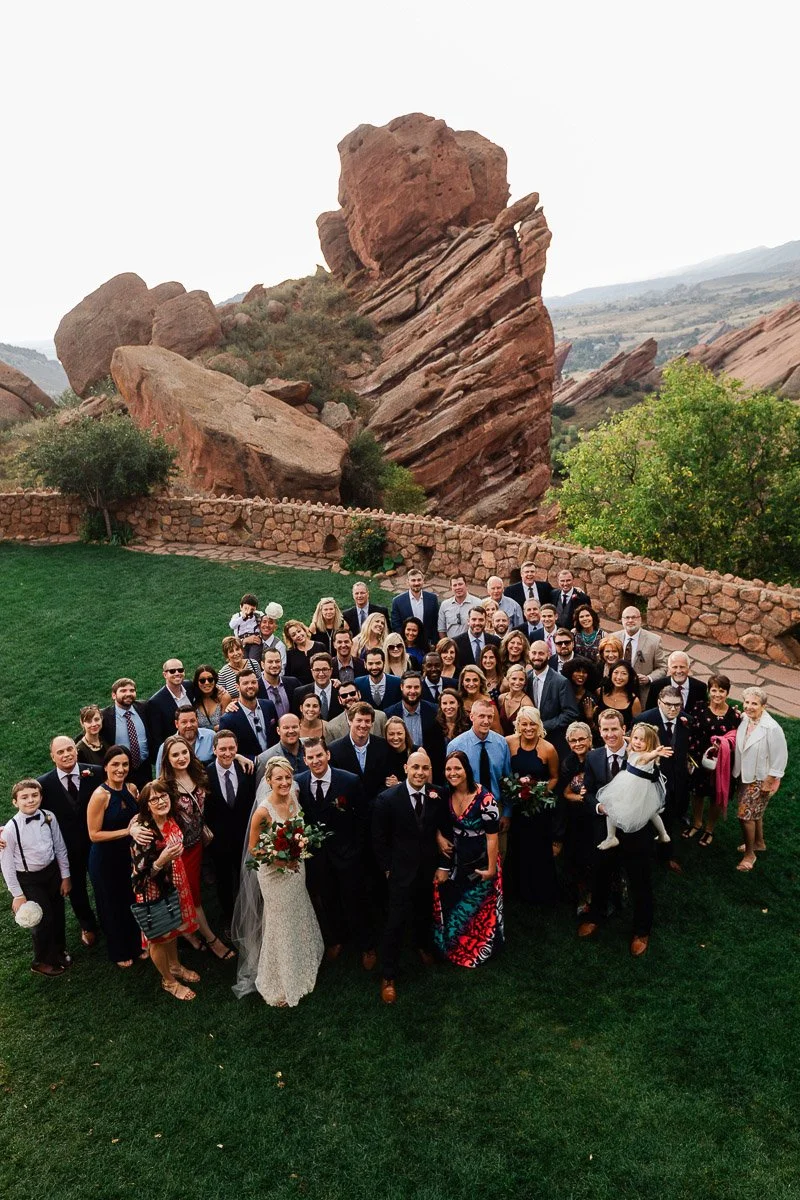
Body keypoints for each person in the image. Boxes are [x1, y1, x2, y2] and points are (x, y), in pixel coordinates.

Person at [235, 757, 324, 1007]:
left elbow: (299, 831)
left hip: (296, 868)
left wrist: (297, 849)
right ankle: (280, 980)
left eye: (288, 777)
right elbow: (254, 849)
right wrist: (281, 860)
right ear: (269, 781)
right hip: (274, 874)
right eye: (279, 778)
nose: (284, 782)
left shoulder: (293, 799)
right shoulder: (263, 812)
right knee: (280, 921)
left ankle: (303, 960)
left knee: (298, 911)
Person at [578, 710, 654, 956]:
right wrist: (599, 807)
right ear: (599, 731)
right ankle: (595, 916)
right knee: (600, 875)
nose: (610, 734)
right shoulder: (593, 757)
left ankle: (641, 930)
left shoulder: (641, 754)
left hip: (636, 831)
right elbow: (588, 793)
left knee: (641, 880)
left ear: (625, 729)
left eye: (615, 729)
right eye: (605, 729)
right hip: (605, 829)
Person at [372, 751, 445, 1003]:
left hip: (428, 868)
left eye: (425, 768)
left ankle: (422, 946)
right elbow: (379, 838)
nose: (420, 772)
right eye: (415, 767)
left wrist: (442, 864)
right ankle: (389, 974)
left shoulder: (438, 794)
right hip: (400, 871)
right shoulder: (387, 798)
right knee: (395, 922)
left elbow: (442, 830)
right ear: (406, 768)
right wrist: (388, 868)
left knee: (424, 911)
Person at [296, 738, 374, 968]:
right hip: (318, 857)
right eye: (310, 757)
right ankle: (337, 939)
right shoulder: (299, 782)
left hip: (348, 854)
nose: (315, 760)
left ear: (327, 755)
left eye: (319, 755)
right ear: (304, 760)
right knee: (327, 900)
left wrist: (356, 850)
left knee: (355, 900)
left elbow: (363, 818)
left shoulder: (349, 781)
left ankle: (366, 945)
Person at [158, 734, 233, 960]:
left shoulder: (199, 774)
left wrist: (237, 756)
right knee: (192, 895)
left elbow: (224, 759)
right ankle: (211, 939)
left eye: (184, 753)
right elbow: (146, 813)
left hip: (199, 843)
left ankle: (189, 931)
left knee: (190, 892)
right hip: (180, 851)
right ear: (167, 759)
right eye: (175, 755)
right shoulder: (164, 786)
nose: (181, 758)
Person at [130, 780, 199, 1001]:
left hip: (176, 883)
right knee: (159, 937)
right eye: (154, 799)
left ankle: (176, 966)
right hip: (153, 891)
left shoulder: (171, 818)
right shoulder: (144, 834)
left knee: (173, 929)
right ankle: (168, 980)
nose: (160, 802)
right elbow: (138, 878)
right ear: (146, 805)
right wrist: (161, 860)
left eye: (163, 797)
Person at [433, 751, 503, 967]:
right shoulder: (445, 794)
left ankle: (479, 947)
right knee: (457, 901)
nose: (453, 773)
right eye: (448, 769)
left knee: (480, 904)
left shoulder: (485, 798)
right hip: (456, 856)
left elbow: (493, 838)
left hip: (480, 856)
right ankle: (455, 944)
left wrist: (491, 869)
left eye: (457, 768)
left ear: (466, 770)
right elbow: (432, 818)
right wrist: (438, 837)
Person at [1, 778, 71, 976]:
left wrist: (65, 875)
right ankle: (41, 960)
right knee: (42, 919)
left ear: (41, 797)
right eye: (24, 797)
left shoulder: (49, 817)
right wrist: (17, 894)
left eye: (34, 795)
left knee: (57, 913)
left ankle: (58, 950)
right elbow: (6, 865)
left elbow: (60, 847)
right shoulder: (10, 829)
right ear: (15, 802)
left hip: (51, 873)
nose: (30, 800)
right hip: (29, 879)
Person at [37, 735, 101, 946]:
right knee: (77, 889)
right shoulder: (43, 785)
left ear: (76, 749)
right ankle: (88, 925)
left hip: (97, 843)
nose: (66, 755)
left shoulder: (95, 772)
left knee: (103, 884)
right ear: (52, 756)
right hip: (66, 848)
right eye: (60, 752)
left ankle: (110, 919)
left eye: (69, 749)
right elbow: (30, 811)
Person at [87, 745, 142, 967]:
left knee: (131, 899)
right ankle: (119, 950)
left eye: (125, 764)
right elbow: (93, 834)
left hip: (128, 857)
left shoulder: (131, 788)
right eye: (115, 764)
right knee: (112, 905)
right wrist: (127, 832)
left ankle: (137, 944)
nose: (121, 769)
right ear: (106, 766)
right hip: (105, 860)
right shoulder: (100, 795)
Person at [504, 707, 559, 904]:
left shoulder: (548, 749)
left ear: (539, 725)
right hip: (515, 806)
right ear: (518, 725)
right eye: (524, 724)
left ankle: (541, 892)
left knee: (538, 848)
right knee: (516, 847)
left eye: (532, 724)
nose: (528, 728)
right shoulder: (508, 743)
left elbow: (554, 777)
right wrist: (515, 791)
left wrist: (539, 793)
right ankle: (517, 890)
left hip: (538, 809)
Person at [203, 730, 256, 927]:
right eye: (222, 749)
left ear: (237, 749)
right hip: (219, 841)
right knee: (224, 882)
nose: (227, 753)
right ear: (214, 750)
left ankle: (249, 915)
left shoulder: (246, 769)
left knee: (246, 878)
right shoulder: (205, 774)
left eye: (231, 748)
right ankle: (229, 918)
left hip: (244, 837)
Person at [733, 687, 788, 872]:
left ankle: (750, 855)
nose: (749, 706)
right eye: (746, 702)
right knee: (755, 813)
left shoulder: (772, 728)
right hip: (744, 775)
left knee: (745, 816)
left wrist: (769, 781)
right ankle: (759, 842)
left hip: (760, 778)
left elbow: (780, 757)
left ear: (763, 706)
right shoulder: (745, 719)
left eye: (754, 703)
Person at [596, 723, 672, 850]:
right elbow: (630, 740)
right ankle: (663, 834)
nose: (637, 742)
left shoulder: (643, 756)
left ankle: (611, 837)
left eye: (643, 740)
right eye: (636, 738)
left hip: (633, 788)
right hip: (640, 787)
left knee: (611, 806)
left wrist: (655, 753)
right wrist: (624, 737)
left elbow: (648, 756)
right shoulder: (633, 749)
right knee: (651, 812)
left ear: (650, 743)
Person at [639, 687, 691, 870]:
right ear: (659, 702)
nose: (673, 709)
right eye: (668, 704)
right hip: (651, 780)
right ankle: (644, 855)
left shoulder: (686, 721)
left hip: (676, 781)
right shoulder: (644, 720)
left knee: (669, 820)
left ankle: (665, 855)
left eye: (677, 705)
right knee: (647, 820)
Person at [686, 674, 740, 845]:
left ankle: (709, 829)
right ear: (709, 691)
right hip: (698, 759)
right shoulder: (699, 707)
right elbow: (691, 730)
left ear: (728, 693)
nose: (717, 694)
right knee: (697, 793)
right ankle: (696, 822)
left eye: (721, 691)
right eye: (714, 690)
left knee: (716, 795)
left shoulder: (734, 716)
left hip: (722, 764)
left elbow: (737, 740)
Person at [447, 699, 512, 832]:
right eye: (481, 716)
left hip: (496, 806)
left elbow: (507, 780)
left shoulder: (501, 743)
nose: (486, 721)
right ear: (472, 717)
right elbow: (449, 782)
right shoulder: (456, 746)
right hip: (467, 807)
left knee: (498, 851)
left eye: (490, 717)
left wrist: (507, 813)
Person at [559, 722, 594, 913]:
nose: (578, 743)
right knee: (576, 858)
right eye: (573, 740)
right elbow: (565, 793)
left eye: (582, 739)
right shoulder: (568, 763)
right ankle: (581, 897)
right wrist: (581, 797)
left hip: (597, 817)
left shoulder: (598, 758)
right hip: (576, 817)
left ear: (590, 740)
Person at [526, 642, 580, 763]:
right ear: (529, 654)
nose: (537, 657)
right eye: (534, 653)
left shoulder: (561, 682)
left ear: (549, 655)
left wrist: (543, 726)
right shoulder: (526, 678)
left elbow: (571, 713)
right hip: (529, 742)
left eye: (541, 653)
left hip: (554, 741)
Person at [328, 703, 391, 803]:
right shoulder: (334, 749)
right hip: (348, 809)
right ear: (349, 721)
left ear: (372, 723)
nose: (363, 725)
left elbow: (387, 780)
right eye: (359, 720)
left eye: (367, 721)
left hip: (377, 807)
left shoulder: (383, 746)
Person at [100, 678, 153, 789]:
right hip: (120, 770)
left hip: (144, 768)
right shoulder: (104, 716)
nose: (128, 694)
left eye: (132, 690)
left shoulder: (144, 708)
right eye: (123, 691)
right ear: (114, 695)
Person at [219, 668, 279, 761]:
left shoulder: (268, 705)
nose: (250, 686)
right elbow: (225, 749)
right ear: (237, 687)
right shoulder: (228, 719)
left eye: (253, 682)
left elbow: (276, 734)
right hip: (249, 768)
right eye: (245, 683)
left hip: (275, 761)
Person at [148, 658, 196, 750]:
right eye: (172, 671)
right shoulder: (155, 702)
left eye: (180, 670)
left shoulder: (189, 686)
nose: (177, 673)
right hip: (176, 749)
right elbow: (157, 736)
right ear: (165, 674)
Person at [619, 607, 668, 694]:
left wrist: (649, 678)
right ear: (622, 620)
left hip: (641, 691)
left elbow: (662, 667)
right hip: (617, 689)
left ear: (640, 620)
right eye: (627, 617)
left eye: (634, 617)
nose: (630, 620)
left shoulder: (654, 641)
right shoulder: (614, 638)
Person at [154, 705, 215, 773]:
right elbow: (161, 775)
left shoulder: (211, 737)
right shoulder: (166, 747)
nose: (189, 725)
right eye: (184, 722)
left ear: (197, 721)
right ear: (177, 724)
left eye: (192, 721)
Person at [391, 568, 440, 646]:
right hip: (407, 644)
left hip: (427, 644)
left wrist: (434, 642)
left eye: (419, 580)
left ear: (423, 581)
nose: (416, 583)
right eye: (413, 580)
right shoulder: (397, 601)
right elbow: (396, 625)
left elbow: (436, 622)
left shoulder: (432, 599)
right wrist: (405, 642)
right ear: (407, 582)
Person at [255, 713, 306, 781]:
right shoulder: (265, 759)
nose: (291, 731)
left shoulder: (312, 746)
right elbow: (262, 790)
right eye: (286, 728)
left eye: (294, 727)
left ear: (300, 727)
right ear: (278, 731)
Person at [295, 653, 345, 722]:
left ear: (331, 670)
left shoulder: (341, 691)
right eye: (317, 670)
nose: (321, 674)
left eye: (324, 669)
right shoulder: (300, 693)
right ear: (312, 671)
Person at [597, 661, 642, 730]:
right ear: (611, 674)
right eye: (616, 672)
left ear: (629, 677)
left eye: (624, 673)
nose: (619, 677)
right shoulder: (600, 692)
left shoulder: (634, 700)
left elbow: (637, 727)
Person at [458, 666, 503, 734]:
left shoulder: (490, 704)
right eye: (467, 680)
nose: (471, 684)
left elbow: (497, 732)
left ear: (481, 682)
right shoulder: (458, 702)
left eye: (475, 680)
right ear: (462, 682)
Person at [259, 648, 300, 720]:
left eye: (277, 661)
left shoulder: (293, 683)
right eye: (270, 662)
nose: (274, 665)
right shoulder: (256, 687)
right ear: (262, 665)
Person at [438, 573, 482, 639]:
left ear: (466, 585)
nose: (458, 587)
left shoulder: (478, 603)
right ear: (451, 588)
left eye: (460, 584)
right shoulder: (445, 605)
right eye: (455, 585)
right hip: (452, 645)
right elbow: (442, 629)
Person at [561, 657, 600, 732]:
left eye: (584, 672)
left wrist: (589, 718)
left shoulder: (591, 698)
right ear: (570, 673)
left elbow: (597, 732)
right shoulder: (562, 693)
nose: (581, 674)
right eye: (577, 671)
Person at [192, 665, 233, 732]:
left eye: (210, 679)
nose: (207, 683)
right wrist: (213, 728)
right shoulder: (193, 698)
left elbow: (225, 725)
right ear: (197, 682)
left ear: (215, 680)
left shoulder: (224, 697)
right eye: (202, 680)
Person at [283, 621, 326, 685]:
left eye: (299, 631)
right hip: (301, 690)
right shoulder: (289, 654)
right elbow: (288, 676)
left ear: (304, 630)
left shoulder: (320, 646)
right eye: (293, 635)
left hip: (321, 686)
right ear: (290, 638)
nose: (298, 635)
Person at [228, 592, 263, 662]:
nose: (248, 611)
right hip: (242, 642)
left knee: (253, 659)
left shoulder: (258, 614)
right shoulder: (237, 616)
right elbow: (232, 625)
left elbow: (265, 620)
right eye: (246, 608)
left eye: (252, 609)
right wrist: (242, 618)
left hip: (255, 641)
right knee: (244, 660)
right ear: (241, 607)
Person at [384, 717, 417, 786]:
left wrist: (398, 784)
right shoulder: (381, 754)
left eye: (399, 733)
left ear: (405, 734)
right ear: (385, 735)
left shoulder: (417, 752)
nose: (396, 738)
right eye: (391, 734)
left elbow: (425, 783)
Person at [498, 664, 529, 734]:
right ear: (508, 679)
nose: (517, 683)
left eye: (521, 679)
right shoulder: (501, 698)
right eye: (514, 679)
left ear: (525, 682)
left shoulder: (526, 703)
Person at [257, 603, 287, 669]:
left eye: (271, 623)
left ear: (275, 627)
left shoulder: (279, 646)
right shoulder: (253, 640)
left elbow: (281, 670)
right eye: (264, 622)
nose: (267, 625)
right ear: (259, 625)